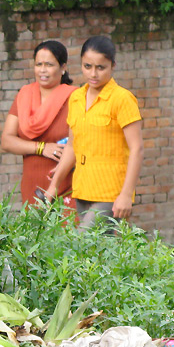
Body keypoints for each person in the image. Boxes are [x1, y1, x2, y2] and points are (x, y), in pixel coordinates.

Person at [43, 35, 143, 230]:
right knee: (96, 254)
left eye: (101, 67)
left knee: (80, 243)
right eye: (87, 66)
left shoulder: (122, 99)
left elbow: (137, 148)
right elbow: (73, 146)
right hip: (82, 189)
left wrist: (125, 194)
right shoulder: (76, 98)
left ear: (112, 66)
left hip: (111, 193)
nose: (93, 74)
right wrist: (52, 188)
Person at [1, 40, 76, 206]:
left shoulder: (76, 98)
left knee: (69, 230)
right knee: (35, 230)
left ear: (63, 68)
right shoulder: (25, 95)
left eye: (49, 64)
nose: (42, 70)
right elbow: (7, 141)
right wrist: (42, 148)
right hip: (32, 183)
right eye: (38, 64)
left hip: (67, 183)